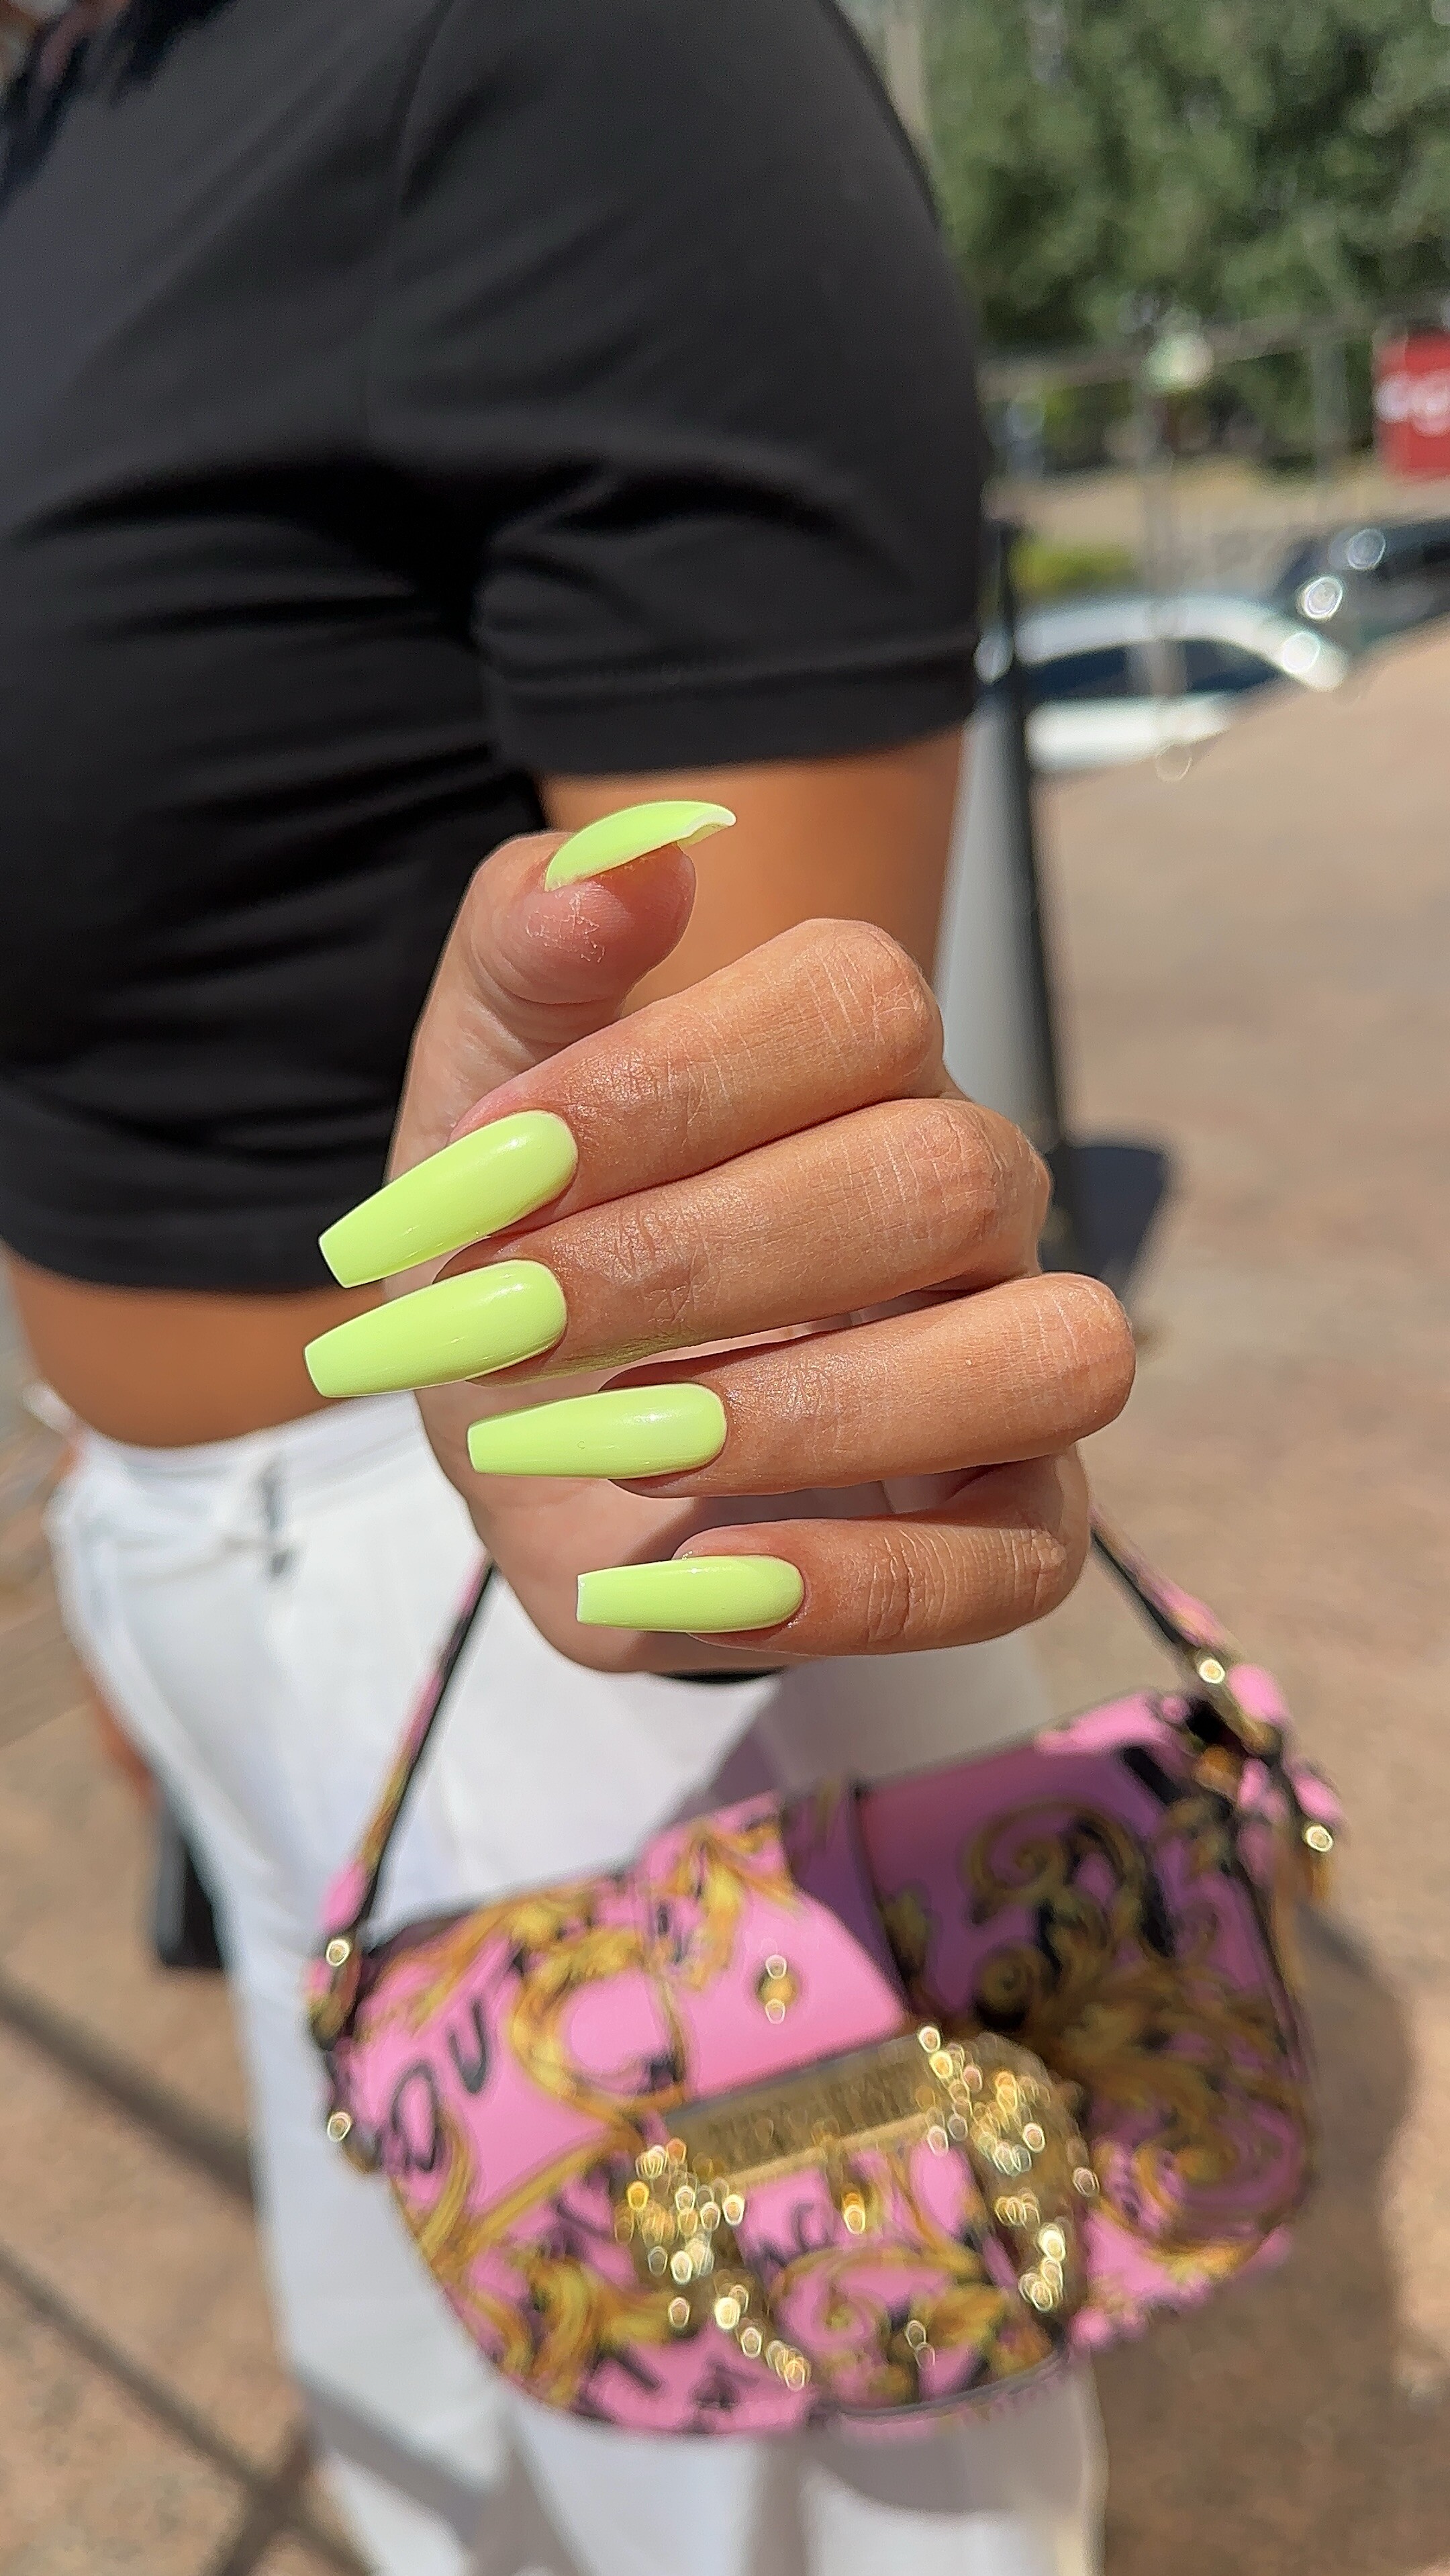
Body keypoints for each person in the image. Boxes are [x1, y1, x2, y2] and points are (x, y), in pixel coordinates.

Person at [0, 3, 1133, 2571]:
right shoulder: (58, 120)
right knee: (452, 2484)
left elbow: (756, 1167)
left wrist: (701, 1417)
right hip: (214, 1581)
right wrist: (131, 1526)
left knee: (809, 2510)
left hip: (564, 1638)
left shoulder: (563, 48)